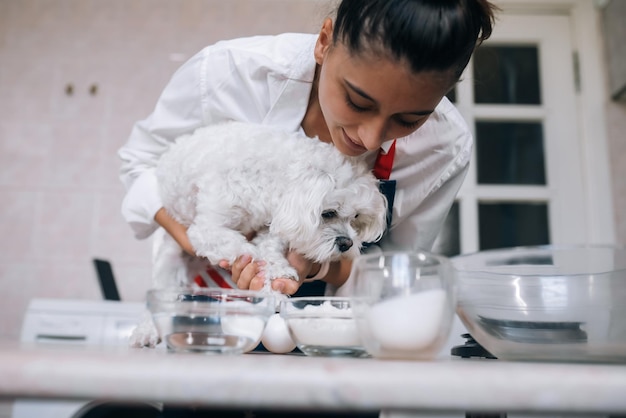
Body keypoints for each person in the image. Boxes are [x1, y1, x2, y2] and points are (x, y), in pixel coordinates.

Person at [119, 0, 498, 298]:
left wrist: (316, 266)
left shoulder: (443, 147)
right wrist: (200, 240)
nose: (369, 139)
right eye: (358, 102)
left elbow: (396, 273)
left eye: (408, 120)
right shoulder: (227, 73)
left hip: (331, 339)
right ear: (324, 42)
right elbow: (139, 163)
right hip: (197, 312)